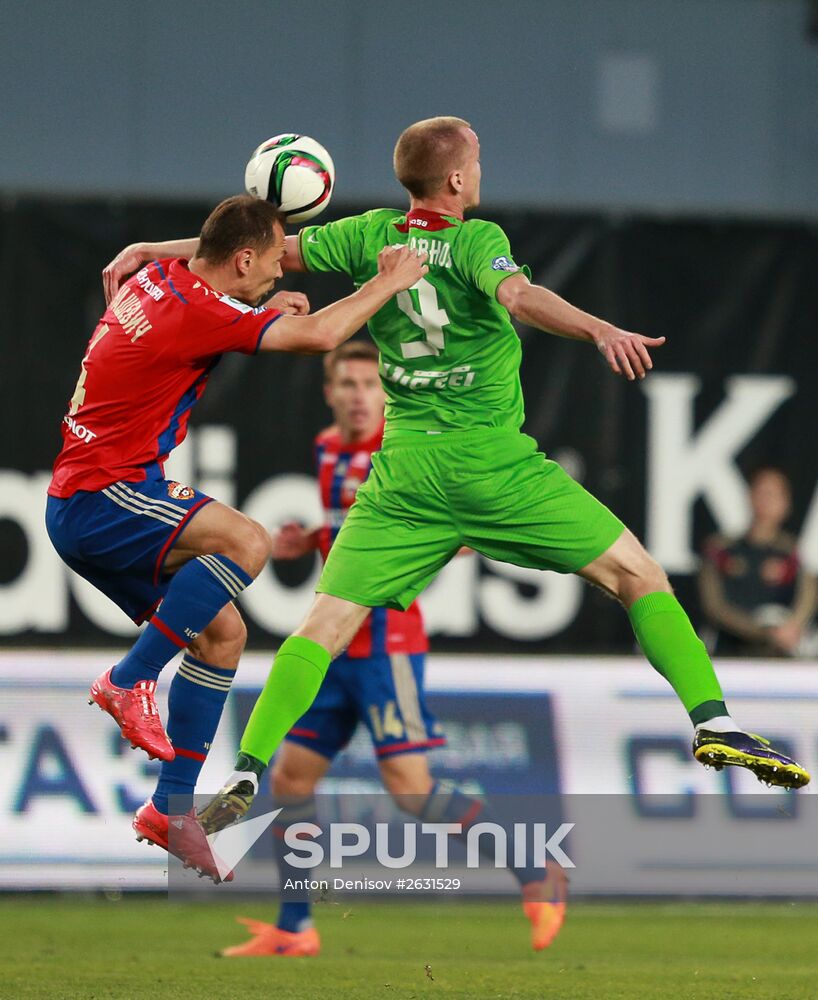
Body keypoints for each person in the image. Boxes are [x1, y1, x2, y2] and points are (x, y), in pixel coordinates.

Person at [105, 118, 809, 858]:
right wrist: (599, 329)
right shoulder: (476, 240)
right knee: (637, 574)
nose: (480, 171)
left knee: (324, 624)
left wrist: (159, 248)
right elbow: (520, 296)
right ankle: (712, 722)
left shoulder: (366, 235)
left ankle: (247, 769)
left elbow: (254, 254)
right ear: (456, 182)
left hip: (405, 472)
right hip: (490, 465)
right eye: (475, 161)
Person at [47, 195, 427, 878]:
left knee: (223, 634)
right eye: (273, 261)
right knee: (246, 542)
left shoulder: (161, 282)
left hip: (85, 496)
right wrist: (387, 282)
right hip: (106, 494)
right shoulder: (197, 306)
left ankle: (170, 809)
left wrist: (163, 256)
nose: (280, 272)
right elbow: (315, 338)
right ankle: (127, 679)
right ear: (244, 258)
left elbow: (212, 280)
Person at [220, 340, 566, 956]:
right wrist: (316, 539)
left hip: (386, 642)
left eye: (369, 385)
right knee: (293, 779)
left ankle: (535, 866)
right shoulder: (328, 448)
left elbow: (459, 526)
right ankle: (295, 926)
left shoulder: (404, 448)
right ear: (329, 391)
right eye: (347, 384)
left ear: (388, 392)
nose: (359, 397)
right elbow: (360, 532)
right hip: (332, 647)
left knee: (411, 791)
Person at [699, 467, 817, 657]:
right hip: (730, 652)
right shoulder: (722, 550)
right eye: (762, 492)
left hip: (780, 654)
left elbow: (808, 596)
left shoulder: (794, 553)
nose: (767, 500)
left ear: (786, 503)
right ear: (749, 496)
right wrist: (762, 631)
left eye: (773, 494)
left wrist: (791, 626)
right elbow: (715, 606)